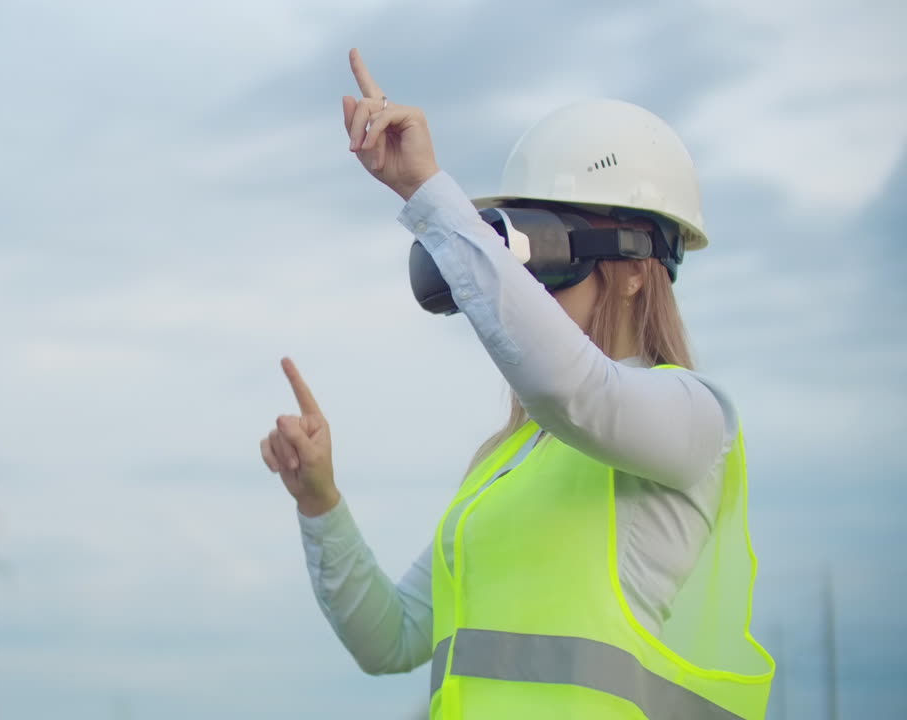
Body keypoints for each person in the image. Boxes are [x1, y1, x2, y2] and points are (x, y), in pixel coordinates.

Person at [259, 49, 775, 719]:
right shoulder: (504, 464)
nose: (527, 281)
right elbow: (392, 639)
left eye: (549, 251)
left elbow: (578, 393)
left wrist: (428, 195)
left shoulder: (696, 418)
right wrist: (320, 502)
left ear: (638, 265)